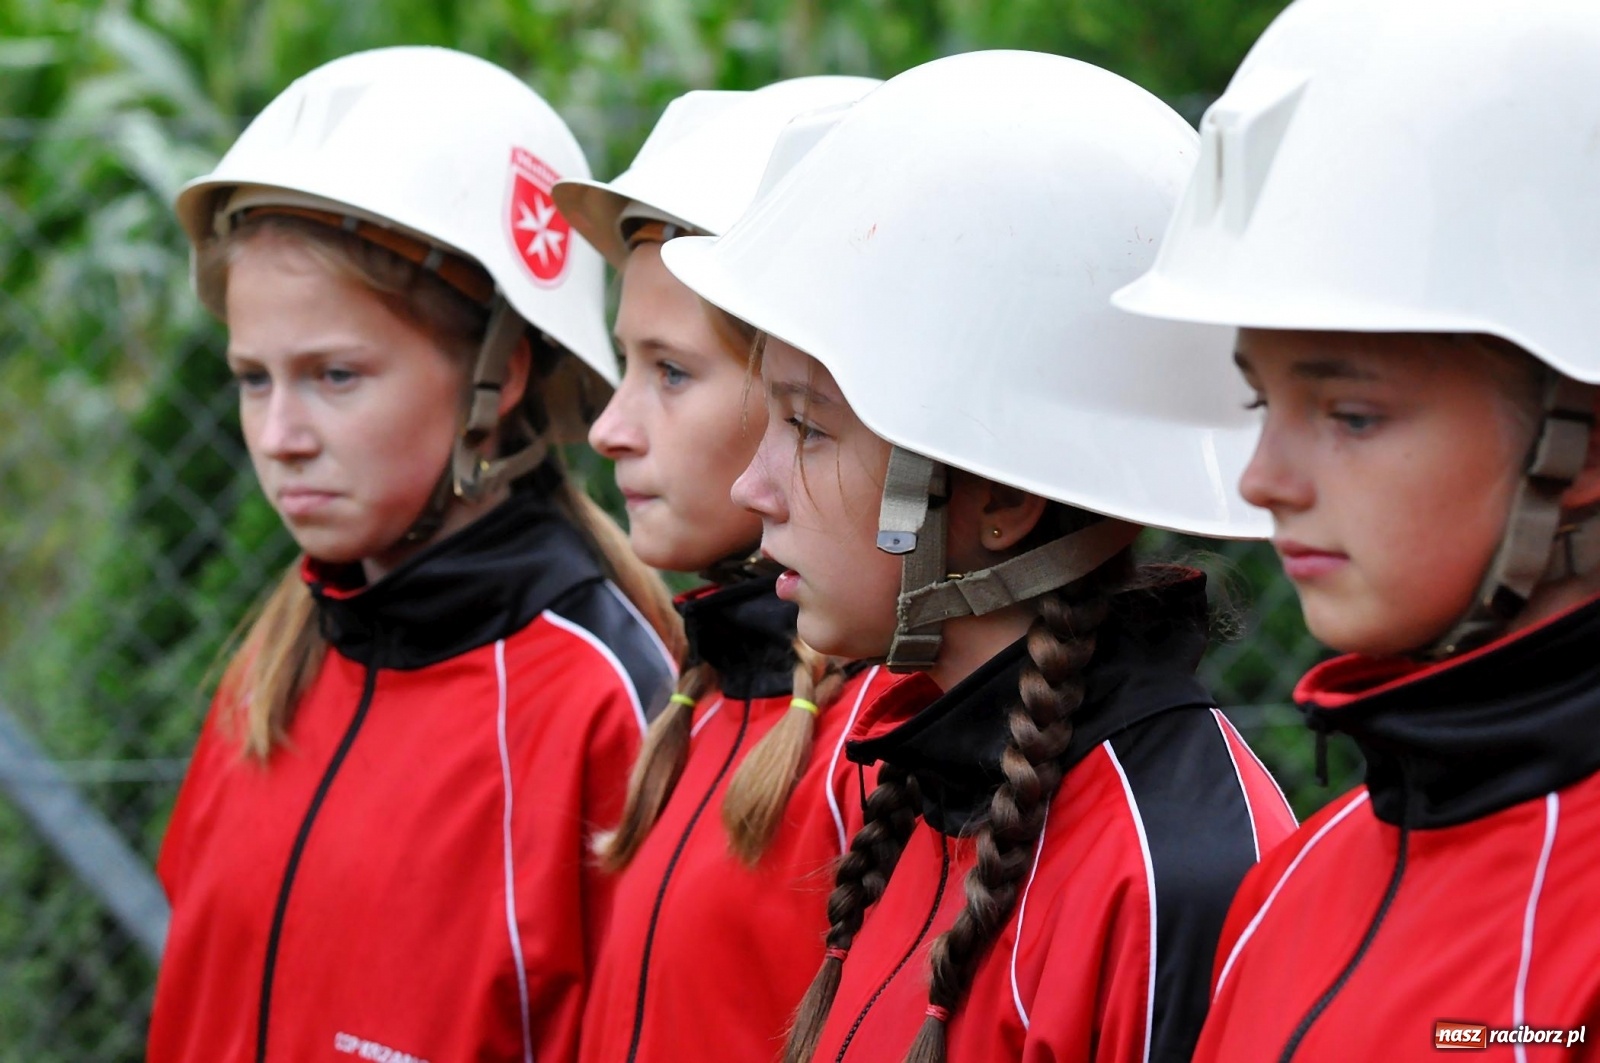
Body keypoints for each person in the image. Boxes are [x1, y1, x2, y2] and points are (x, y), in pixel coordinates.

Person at [663, 49, 1297, 1063]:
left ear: (996, 499)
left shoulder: (1173, 862)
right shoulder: (926, 782)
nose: (752, 488)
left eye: (809, 428)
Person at [149, 46, 678, 1063]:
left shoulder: (606, 707)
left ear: (501, 375)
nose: (279, 433)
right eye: (253, 379)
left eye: (335, 375)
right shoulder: (273, 667)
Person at [1113, 0, 1600, 1058]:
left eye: (1350, 415)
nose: (1262, 480)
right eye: (1261, 403)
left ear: (1583, 445)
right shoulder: (1289, 883)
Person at [551, 76, 902, 1063]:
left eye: (670, 372)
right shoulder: (706, 700)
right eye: (624, 366)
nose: (611, 429)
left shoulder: (887, 743)